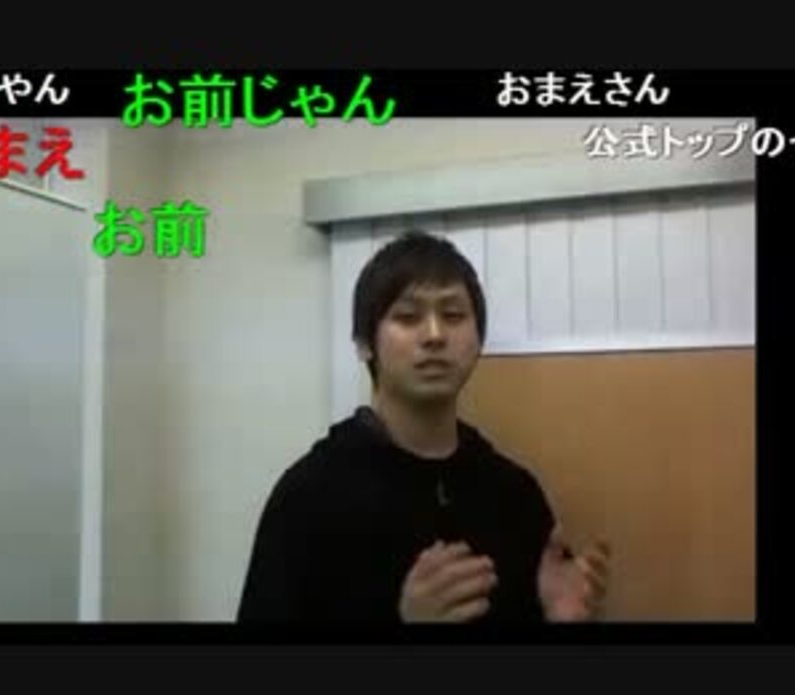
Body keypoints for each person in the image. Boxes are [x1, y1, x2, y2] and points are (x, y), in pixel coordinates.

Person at [237, 229, 610, 623]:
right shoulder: (310, 496)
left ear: (478, 339)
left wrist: (559, 619)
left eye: (453, 316)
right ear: (364, 342)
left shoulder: (514, 496)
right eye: (407, 316)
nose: (434, 335)